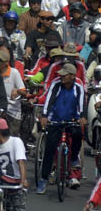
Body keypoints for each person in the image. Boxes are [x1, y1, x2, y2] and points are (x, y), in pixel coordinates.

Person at [37, 63, 85, 194]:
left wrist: (81, 116)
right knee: (50, 149)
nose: (62, 77)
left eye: (65, 75)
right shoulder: (56, 83)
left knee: (78, 134)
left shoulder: (78, 86)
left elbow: (81, 102)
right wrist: (45, 115)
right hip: (56, 118)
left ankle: (74, 157)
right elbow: (49, 100)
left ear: (72, 76)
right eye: (61, 74)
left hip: (72, 118)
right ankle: (43, 179)